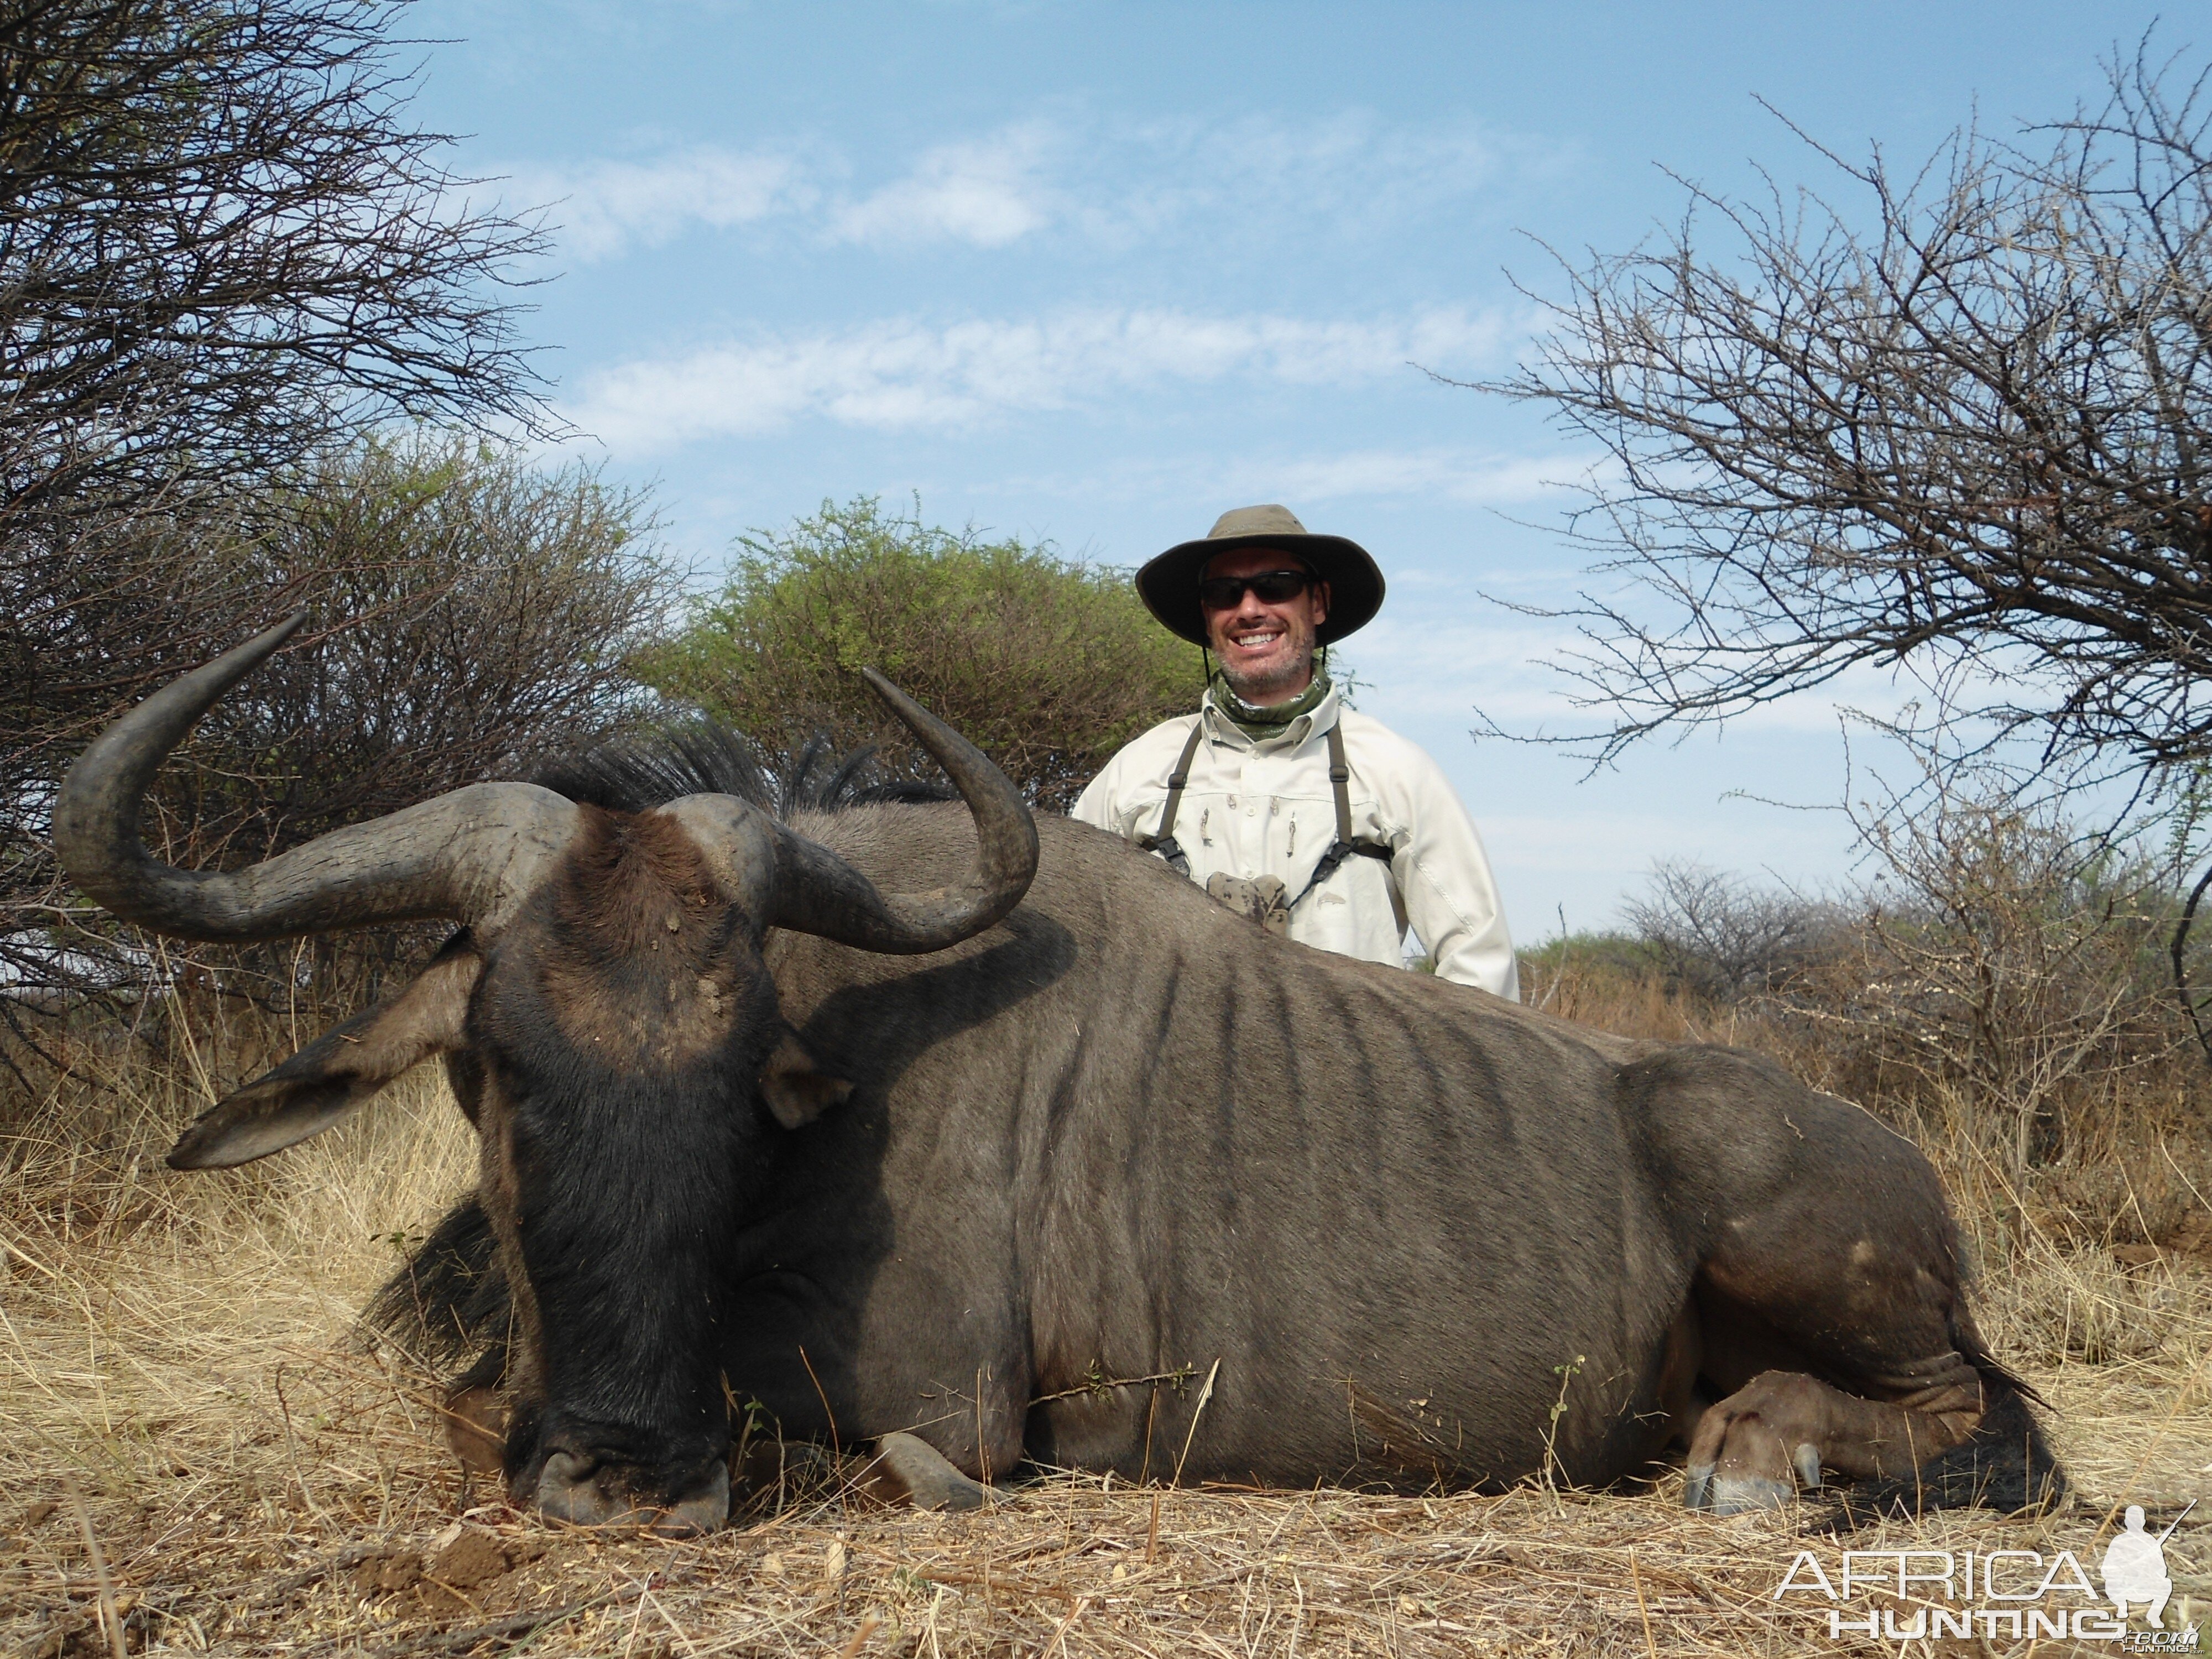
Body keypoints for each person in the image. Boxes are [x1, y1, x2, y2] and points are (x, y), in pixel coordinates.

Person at [1073, 504, 1518, 997]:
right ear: (1207, 616)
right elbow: (1068, 932)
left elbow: (1480, 963)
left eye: (1277, 585)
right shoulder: (1136, 772)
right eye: (1224, 593)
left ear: (1319, 603)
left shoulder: (1394, 771)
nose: (1249, 610)